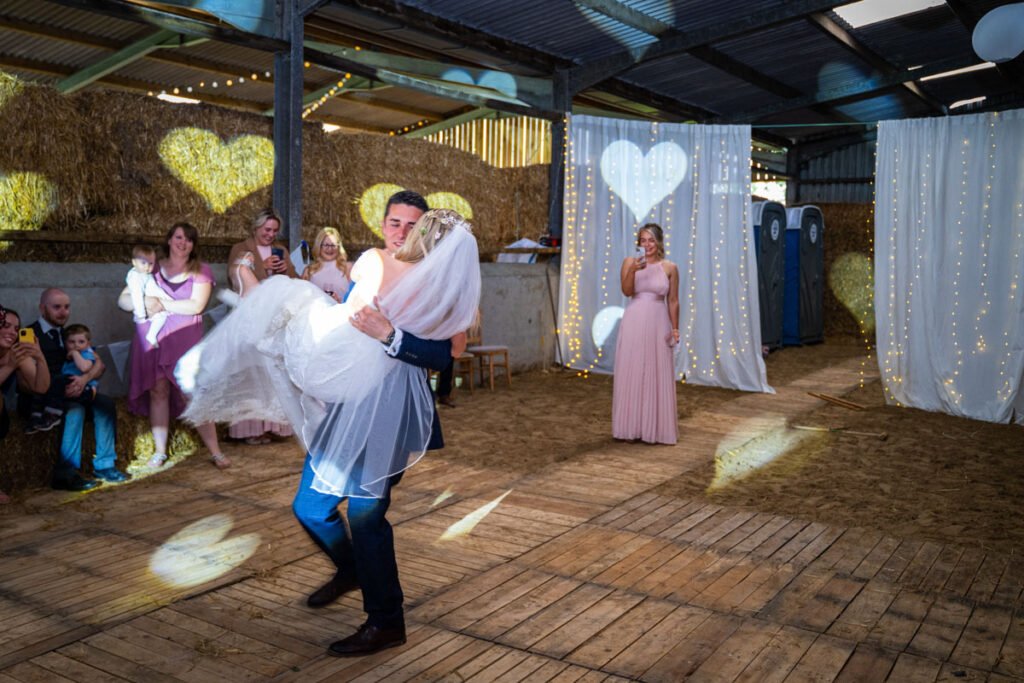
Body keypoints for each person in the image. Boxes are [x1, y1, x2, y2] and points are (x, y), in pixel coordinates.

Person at [178, 195, 480, 657]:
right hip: (346, 404)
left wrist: (389, 335)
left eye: (412, 225)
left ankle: (385, 621)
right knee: (310, 507)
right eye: (394, 222)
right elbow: (344, 311)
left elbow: (445, 357)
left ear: (427, 233)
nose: (401, 232)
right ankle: (353, 568)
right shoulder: (371, 261)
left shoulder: (439, 287)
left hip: (389, 415)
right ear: (383, 224)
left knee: (366, 516)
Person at [118, 222, 228, 469]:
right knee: (158, 391)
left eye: (189, 239)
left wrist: (162, 304)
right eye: (178, 237)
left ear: (193, 245)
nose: (183, 243)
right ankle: (159, 452)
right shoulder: (151, 267)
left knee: (192, 393)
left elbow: (195, 306)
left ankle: (215, 450)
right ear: (169, 240)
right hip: (153, 339)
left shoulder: (201, 271)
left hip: (183, 339)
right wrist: (145, 301)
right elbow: (124, 299)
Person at [225, 208, 297, 445]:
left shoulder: (282, 250)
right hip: (250, 317)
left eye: (275, 231)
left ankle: (273, 426)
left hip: (274, 319)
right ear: (255, 228)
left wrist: (284, 270)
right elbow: (235, 279)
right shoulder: (241, 249)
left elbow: (296, 280)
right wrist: (261, 268)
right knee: (250, 370)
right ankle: (250, 429)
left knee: (272, 371)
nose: (270, 234)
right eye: (267, 229)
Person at [612, 223, 680, 445]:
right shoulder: (630, 263)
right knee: (633, 369)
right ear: (638, 243)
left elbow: (673, 301)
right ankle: (630, 427)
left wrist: (675, 328)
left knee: (656, 369)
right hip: (634, 319)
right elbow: (627, 291)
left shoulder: (669, 267)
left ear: (659, 242)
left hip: (659, 321)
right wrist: (633, 270)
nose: (647, 245)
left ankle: (656, 429)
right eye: (643, 240)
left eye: (651, 240)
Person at [58, 322, 128, 484]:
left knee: (106, 405)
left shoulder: (86, 353)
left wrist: (83, 379)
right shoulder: (48, 341)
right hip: (63, 393)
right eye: (72, 342)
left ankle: (105, 464)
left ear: (88, 343)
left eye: (81, 342)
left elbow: (93, 366)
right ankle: (68, 470)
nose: (76, 345)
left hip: (85, 390)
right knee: (75, 411)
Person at [1, 305, 51, 502]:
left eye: (16, 328)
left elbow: (41, 388)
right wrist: (10, 366)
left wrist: (40, 358)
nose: (12, 332)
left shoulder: (16, 353)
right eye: (5, 325)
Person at [126, 244, 174, 348]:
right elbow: (136, 297)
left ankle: (151, 335)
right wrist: (141, 315)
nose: (147, 267)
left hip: (153, 305)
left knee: (162, 316)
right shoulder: (136, 277)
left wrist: (168, 300)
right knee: (161, 317)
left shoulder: (145, 274)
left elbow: (156, 289)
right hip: (145, 311)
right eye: (143, 263)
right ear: (134, 262)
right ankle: (151, 335)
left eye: (151, 263)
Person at [302, 227, 350, 302]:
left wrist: (340, 302)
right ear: (319, 246)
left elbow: (357, 297)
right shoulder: (309, 270)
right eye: (326, 245)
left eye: (333, 245)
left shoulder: (348, 268)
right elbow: (301, 297)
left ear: (339, 247)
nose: (330, 249)